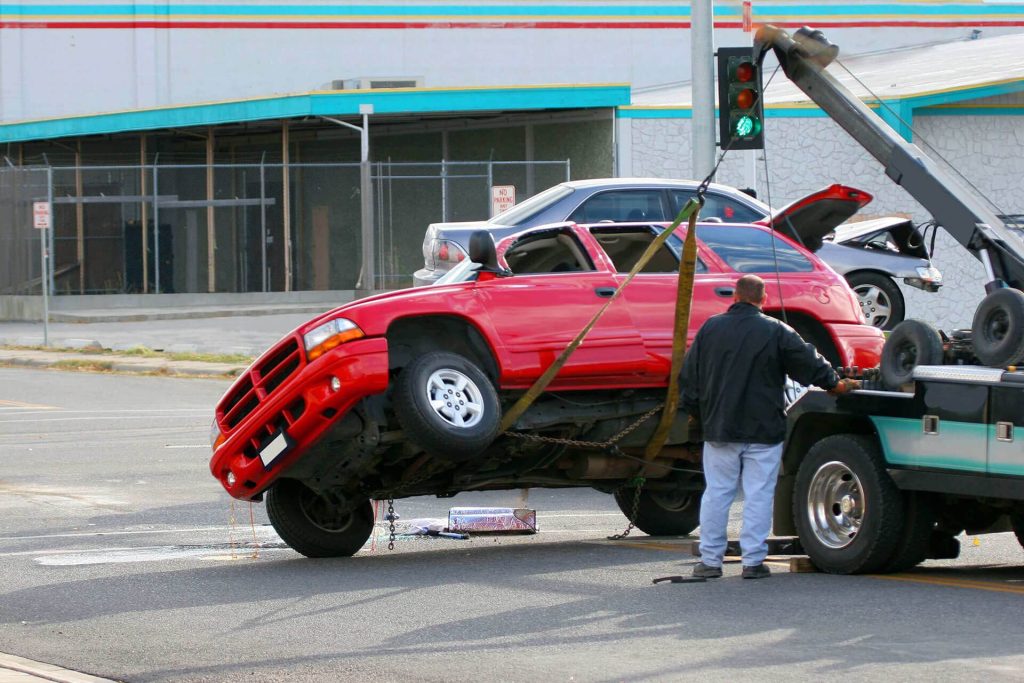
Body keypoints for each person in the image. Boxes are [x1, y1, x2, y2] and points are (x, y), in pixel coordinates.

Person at [681, 274, 859, 579]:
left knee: (717, 493)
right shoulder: (776, 330)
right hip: (763, 430)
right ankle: (752, 562)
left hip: (720, 428)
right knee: (758, 494)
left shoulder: (710, 328)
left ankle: (710, 561)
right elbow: (809, 362)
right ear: (763, 300)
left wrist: (698, 414)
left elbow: (689, 378)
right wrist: (835, 384)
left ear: (734, 297)